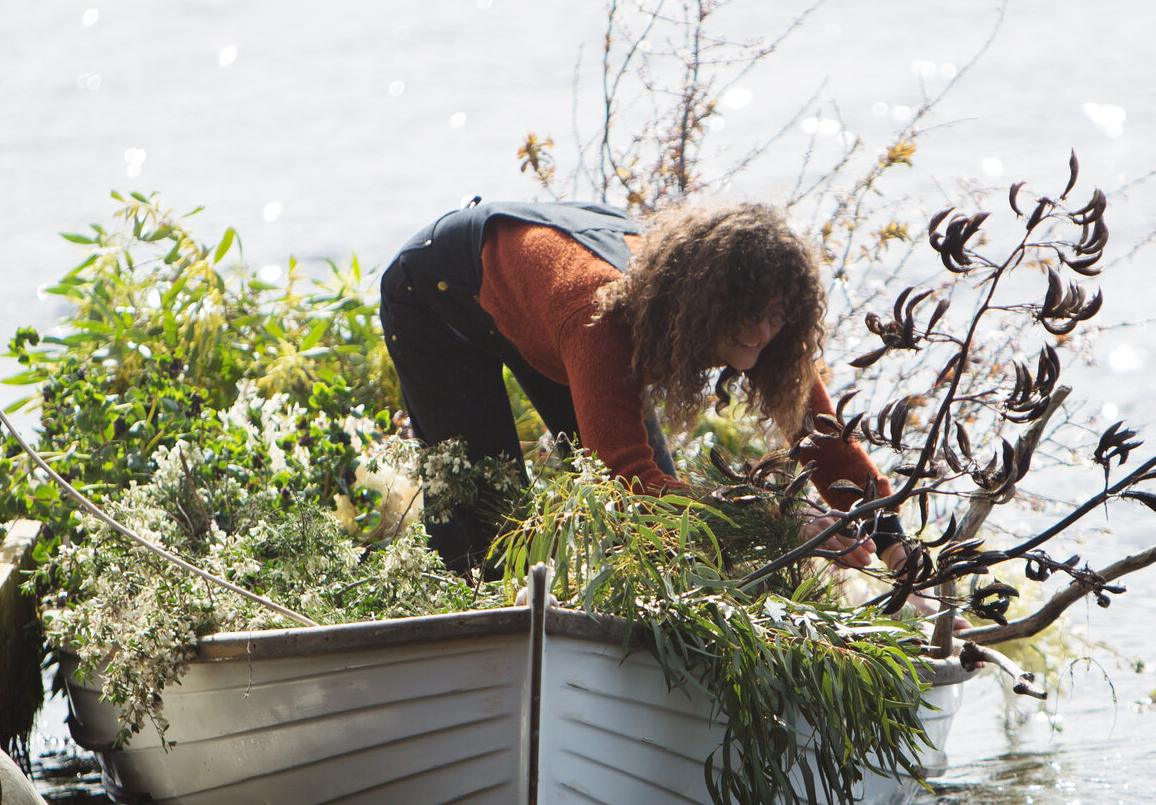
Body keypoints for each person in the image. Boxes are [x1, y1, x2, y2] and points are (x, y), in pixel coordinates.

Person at [378, 198, 903, 577]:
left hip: (541, 303)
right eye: (750, 315)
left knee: (675, 544)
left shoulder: (756, 326)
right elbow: (631, 482)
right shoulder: (599, 319)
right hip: (438, 293)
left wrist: (895, 547)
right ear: (707, 303)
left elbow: (824, 441)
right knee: (488, 528)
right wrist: (784, 518)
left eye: (777, 316)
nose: (764, 332)